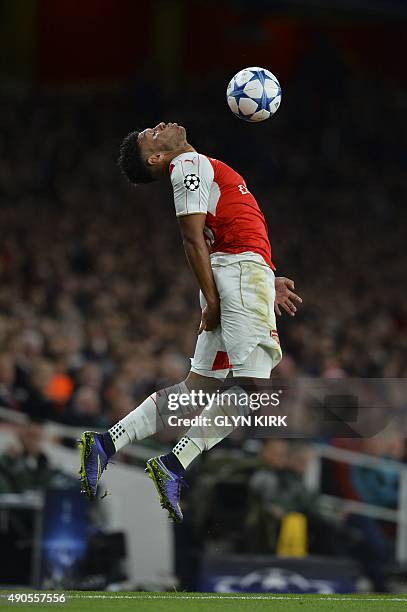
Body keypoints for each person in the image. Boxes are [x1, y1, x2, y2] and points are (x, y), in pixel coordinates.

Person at [79, 122, 302, 521]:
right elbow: (192, 238)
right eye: (150, 134)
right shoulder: (187, 166)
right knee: (256, 390)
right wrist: (216, 300)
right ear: (155, 158)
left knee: (197, 389)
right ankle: (174, 464)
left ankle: (106, 444)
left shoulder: (195, 164)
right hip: (237, 277)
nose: (157, 127)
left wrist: (266, 275)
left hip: (243, 274)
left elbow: (220, 232)